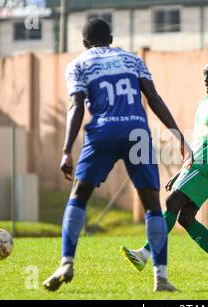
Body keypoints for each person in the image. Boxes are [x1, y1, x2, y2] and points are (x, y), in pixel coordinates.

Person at [42, 18, 192, 292]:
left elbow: (76, 105)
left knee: (79, 196)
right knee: (152, 205)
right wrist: (179, 136)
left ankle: (66, 261)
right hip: (137, 131)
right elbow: (154, 98)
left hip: (103, 132)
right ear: (111, 38)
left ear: (84, 43)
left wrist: (66, 150)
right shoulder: (132, 60)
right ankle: (161, 277)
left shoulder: (78, 64)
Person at [120, 52, 208, 276]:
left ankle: (145, 253)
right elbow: (199, 141)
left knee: (171, 202)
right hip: (195, 166)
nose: (205, 77)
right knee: (185, 217)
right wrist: (182, 170)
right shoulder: (204, 103)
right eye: (204, 73)